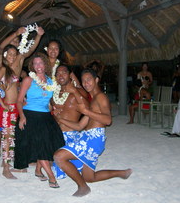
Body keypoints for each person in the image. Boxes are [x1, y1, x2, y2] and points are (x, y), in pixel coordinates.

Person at [54, 68, 132, 197]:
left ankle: (83, 187)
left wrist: (86, 111)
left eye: (89, 79)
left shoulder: (101, 97)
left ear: (96, 80)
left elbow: (108, 120)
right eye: (83, 81)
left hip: (94, 139)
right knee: (90, 177)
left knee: (59, 156)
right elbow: (79, 126)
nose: (86, 83)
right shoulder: (93, 100)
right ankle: (122, 173)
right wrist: (60, 119)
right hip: (87, 137)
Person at [0, 26, 44, 162]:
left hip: (14, 100)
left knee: (14, 129)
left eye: (17, 41)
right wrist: (16, 33)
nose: (15, 43)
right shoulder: (2, 60)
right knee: (0, 127)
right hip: (3, 98)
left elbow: (30, 50)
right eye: (13, 41)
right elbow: (0, 48)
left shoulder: (19, 59)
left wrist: (38, 36)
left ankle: (13, 157)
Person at [14, 53, 65, 188]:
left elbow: (49, 101)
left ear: (45, 65)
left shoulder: (51, 82)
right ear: (32, 66)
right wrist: (22, 116)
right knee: (41, 145)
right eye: (35, 63)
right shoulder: (28, 80)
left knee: (51, 143)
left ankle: (38, 170)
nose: (38, 66)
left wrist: (54, 109)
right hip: (30, 116)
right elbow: (19, 101)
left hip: (46, 117)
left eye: (40, 63)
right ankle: (52, 177)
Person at [51, 64, 89, 179]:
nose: (60, 75)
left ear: (70, 75)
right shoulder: (53, 93)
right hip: (56, 134)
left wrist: (74, 91)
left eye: (64, 72)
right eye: (58, 73)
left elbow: (87, 109)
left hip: (71, 135)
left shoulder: (78, 91)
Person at [0, 45, 21, 179]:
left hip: (14, 107)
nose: (13, 57)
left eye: (15, 54)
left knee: (11, 137)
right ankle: (6, 170)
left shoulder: (12, 70)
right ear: (5, 55)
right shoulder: (3, 69)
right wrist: (2, 103)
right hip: (7, 107)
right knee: (7, 137)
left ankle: (6, 164)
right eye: (10, 54)